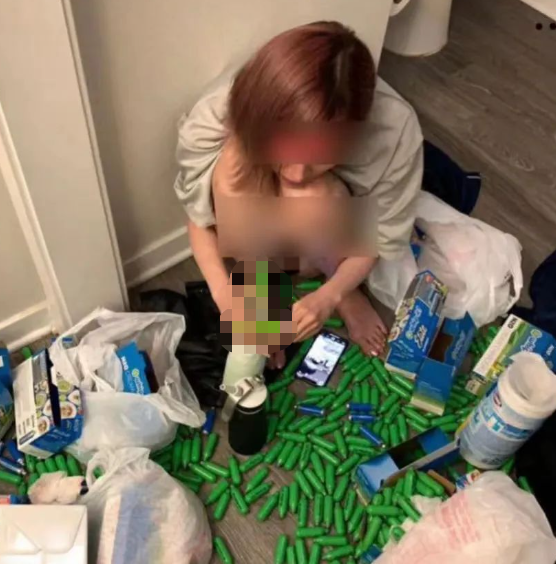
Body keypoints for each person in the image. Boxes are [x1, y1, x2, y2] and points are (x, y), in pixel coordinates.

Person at [175, 21, 423, 362]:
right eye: (284, 156)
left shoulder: (395, 132)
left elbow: (381, 233)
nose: (295, 173)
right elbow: (199, 218)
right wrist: (225, 295)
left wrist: (331, 295)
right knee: (233, 173)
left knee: (310, 194)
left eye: (318, 159)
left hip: (342, 217)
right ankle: (263, 286)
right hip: (253, 208)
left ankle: (342, 284)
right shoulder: (211, 122)